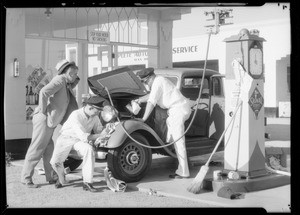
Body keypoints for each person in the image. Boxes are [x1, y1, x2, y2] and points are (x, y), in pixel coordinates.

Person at [21, 59, 80, 188]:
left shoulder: (65, 83)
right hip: (44, 119)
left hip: (49, 121)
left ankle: (52, 177)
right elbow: (44, 92)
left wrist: (74, 77)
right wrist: (42, 112)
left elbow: (71, 87)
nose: (76, 76)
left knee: (49, 150)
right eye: (74, 73)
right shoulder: (60, 80)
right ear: (67, 72)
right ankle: (26, 179)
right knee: (36, 149)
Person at [135, 67, 191, 179]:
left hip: (178, 110)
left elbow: (151, 101)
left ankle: (184, 172)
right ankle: (181, 167)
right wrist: (139, 100)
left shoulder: (157, 82)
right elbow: (151, 96)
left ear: (150, 77)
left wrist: (143, 119)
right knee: (172, 139)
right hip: (175, 111)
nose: (146, 84)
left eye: (145, 81)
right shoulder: (159, 81)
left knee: (179, 142)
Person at [50, 96, 114, 192]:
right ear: (90, 107)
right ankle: (61, 177)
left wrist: (106, 128)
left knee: (88, 149)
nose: (98, 113)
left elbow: (98, 130)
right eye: (97, 110)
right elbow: (85, 136)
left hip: (78, 141)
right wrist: (101, 134)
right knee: (55, 162)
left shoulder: (94, 116)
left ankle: (87, 182)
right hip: (65, 139)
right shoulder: (75, 115)